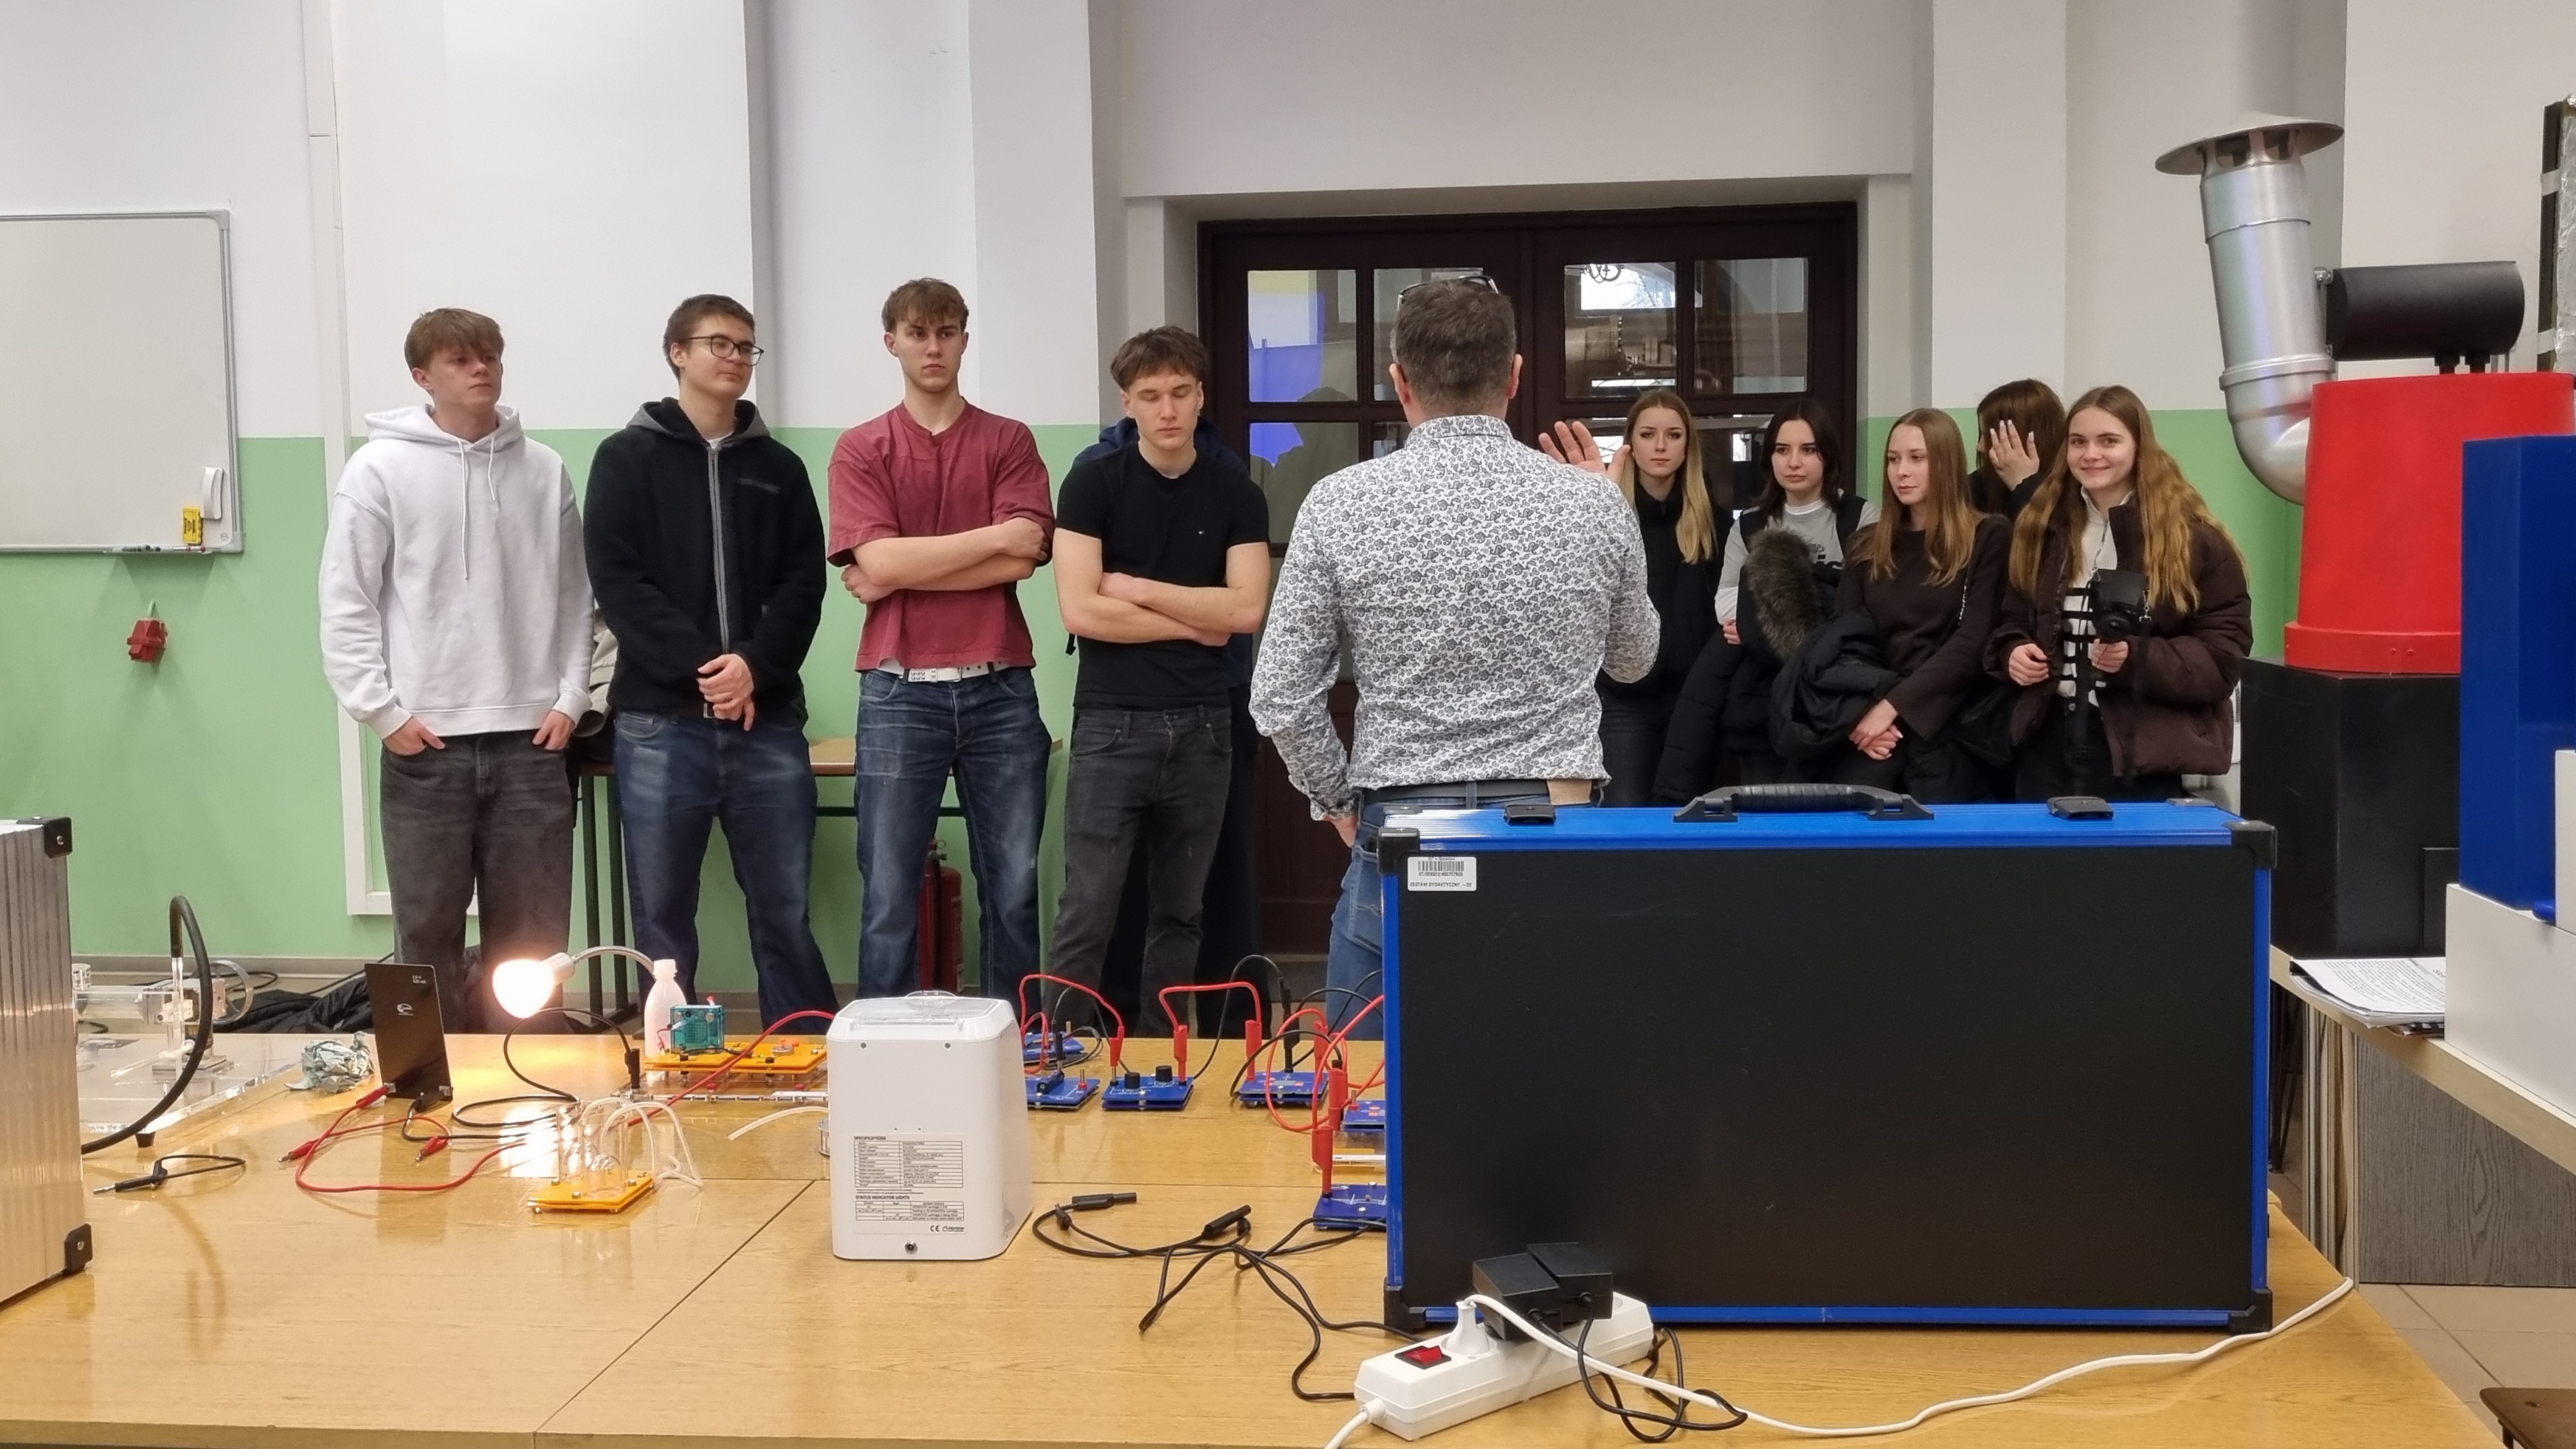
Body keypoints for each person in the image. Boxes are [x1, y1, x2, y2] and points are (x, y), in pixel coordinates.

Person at [1252, 277, 1658, 1039]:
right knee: (1555, 1074)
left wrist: (1338, 802)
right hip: (1555, 827)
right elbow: (1635, 661)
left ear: (1399, 382)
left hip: (1403, 825)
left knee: (1372, 1090)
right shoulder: (1594, 503)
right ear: (1514, 376)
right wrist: (1606, 511)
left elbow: (1279, 694)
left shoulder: (1340, 503)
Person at [320, 308, 593, 1032]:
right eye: (461, 359)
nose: (482, 369)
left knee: (532, 948)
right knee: (426, 938)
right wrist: (382, 711)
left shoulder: (543, 469)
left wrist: (572, 696)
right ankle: (424, 1086)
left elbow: (575, 597)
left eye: (490, 357)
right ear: (422, 376)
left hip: (532, 743)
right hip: (426, 746)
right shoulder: (377, 470)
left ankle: (528, 1080)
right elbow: (346, 600)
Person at [585, 294, 837, 1027]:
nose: (733, 358)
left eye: (744, 347)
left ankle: (805, 1050)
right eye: (717, 343)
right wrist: (709, 668)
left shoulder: (779, 468)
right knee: (663, 921)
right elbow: (619, 582)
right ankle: (678, 1060)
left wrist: (753, 666)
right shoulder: (625, 459)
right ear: (677, 352)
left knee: (784, 910)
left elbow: (803, 584)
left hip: (767, 724)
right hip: (661, 727)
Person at [829, 278, 1054, 1005]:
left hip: (1000, 688)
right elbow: (884, 560)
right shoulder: (862, 447)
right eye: (918, 333)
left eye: (947, 332)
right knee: (889, 896)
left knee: (1014, 888)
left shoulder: (1008, 440)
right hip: (899, 691)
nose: (933, 347)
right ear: (891, 341)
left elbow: (1025, 558)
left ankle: (1020, 1045)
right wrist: (990, 539)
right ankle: (883, 1045)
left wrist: (897, 567)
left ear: (964, 340)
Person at [1047, 327, 1270, 1024]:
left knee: (1181, 914)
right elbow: (1082, 611)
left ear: (1201, 396)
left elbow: (1246, 610)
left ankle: (1161, 1058)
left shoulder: (1237, 491)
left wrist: (1137, 589)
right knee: (1088, 907)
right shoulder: (1092, 482)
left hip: (1205, 725)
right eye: (1150, 395)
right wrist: (1199, 620)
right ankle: (1060, 1052)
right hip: (1111, 722)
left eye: (1180, 392)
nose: (1167, 409)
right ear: (1128, 403)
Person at [1988, 384, 2252, 802]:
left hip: (2140, 751)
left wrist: (2135, 657)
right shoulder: (2041, 529)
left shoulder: (2195, 540)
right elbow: (2010, 620)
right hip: (2046, 741)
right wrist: (2012, 651)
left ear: (2139, 447)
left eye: (2108, 441)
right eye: (2078, 442)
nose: (2091, 454)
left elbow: (2223, 658)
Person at [1651, 399, 1874, 795]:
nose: (1794, 462)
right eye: (1782, 450)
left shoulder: (1862, 518)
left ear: (1828, 455)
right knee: (1764, 812)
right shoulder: (1750, 525)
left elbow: (1865, 609)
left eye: (1808, 449)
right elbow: (1726, 604)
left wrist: (1762, 618)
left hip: (1836, 700)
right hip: (1762, 702)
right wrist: (1797, 607)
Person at [1816, 408, 2008, 801]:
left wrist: (1893, 707)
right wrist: (1867, 713)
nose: (1901, 471)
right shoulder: (1866, 544)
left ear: (1946, 463)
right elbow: (1846, 640)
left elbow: (1972, 642)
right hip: (1875, 729)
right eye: (1893, 459)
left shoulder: (1987, 535)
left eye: (1917, 458)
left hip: (1948, 728)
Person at [1585, 388, 1721, 805]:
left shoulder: (1713, 521)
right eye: (1648, 434)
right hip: (1622, 696)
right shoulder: (1607, 515)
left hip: (1694, 698)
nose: (1660, 446)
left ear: (1688, 446)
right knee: (1623, 819)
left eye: (1673, 435)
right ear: (1630, 443)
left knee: (1689, 822)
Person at [1968, 378, 2067, 518]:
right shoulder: (1975, 488)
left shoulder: (2072, 490)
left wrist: (2024, 485)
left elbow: (2043, 529)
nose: (1980, 447)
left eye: (1989, 436)